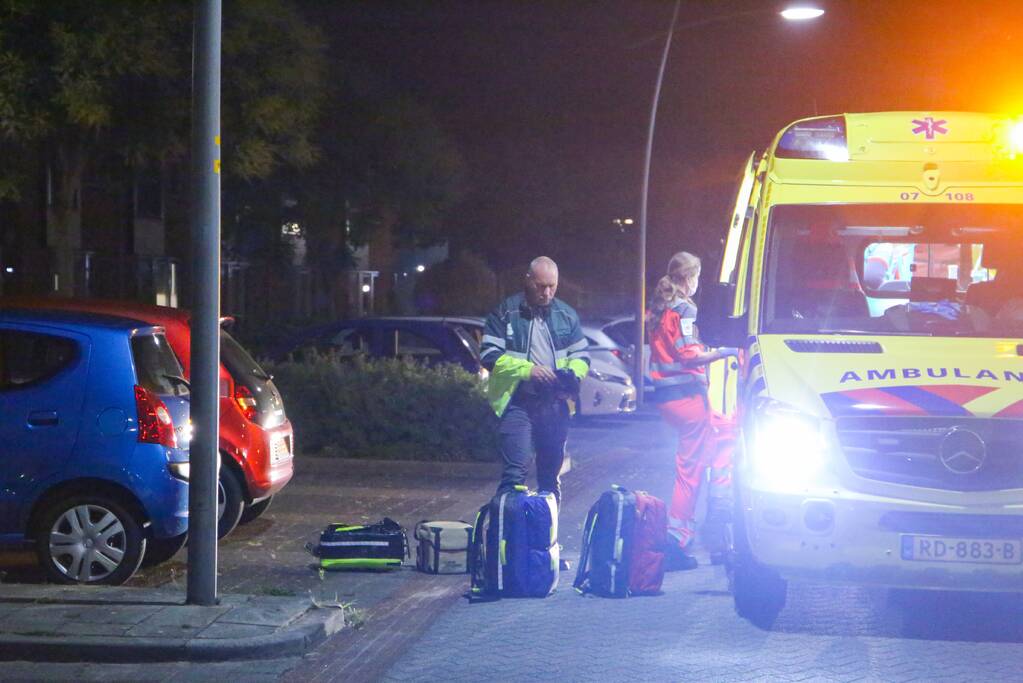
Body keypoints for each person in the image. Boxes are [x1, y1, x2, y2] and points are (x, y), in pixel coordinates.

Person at [480, 256, 590, 570]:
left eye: (552, 287)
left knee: (549, 481)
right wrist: (528, 371)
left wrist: (571, 373)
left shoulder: (566, 315)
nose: (546, 293)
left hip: (554, 404)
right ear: (528, 280)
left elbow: (582, 356)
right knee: (514, 475)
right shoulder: (506, 311)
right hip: (518, 401)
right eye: (540, 286)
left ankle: (546, 549)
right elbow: (489, 355)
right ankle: (504, 550)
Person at [648, 252, 738, 571]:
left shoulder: (659, 308)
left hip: (668, 398)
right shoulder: (686, 308)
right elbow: (688, 352)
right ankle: (678, 538)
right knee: (690, 470)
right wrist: (723, 351)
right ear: (690, 278)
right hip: (687, 397)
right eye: (697, 277)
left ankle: (716, 513)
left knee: (727, 433)